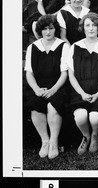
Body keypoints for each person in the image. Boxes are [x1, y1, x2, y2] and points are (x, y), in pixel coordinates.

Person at [67, 12, 98, 155]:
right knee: (80, 117)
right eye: (87, 25)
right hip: (79, 91)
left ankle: (95, 135)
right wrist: (81, 93)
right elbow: (71, 75)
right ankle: (86, 136)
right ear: (83, 27)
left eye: (94, 25)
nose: (91, 28)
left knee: (95, 118)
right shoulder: (75, 47)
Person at [24, 14, 70, 159]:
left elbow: (64, 73)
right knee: (35, 104)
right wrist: (37, 89)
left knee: (52, 105)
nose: (48, 32)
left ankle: (53, 142)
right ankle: (45, 141)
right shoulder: (33, 47)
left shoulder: (63, 46)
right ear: (40, 31)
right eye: (44, 29)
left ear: (56, 29)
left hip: (58, 86)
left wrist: (53, 90)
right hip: (38, 86)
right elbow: (29, 73)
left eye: (51, 28)